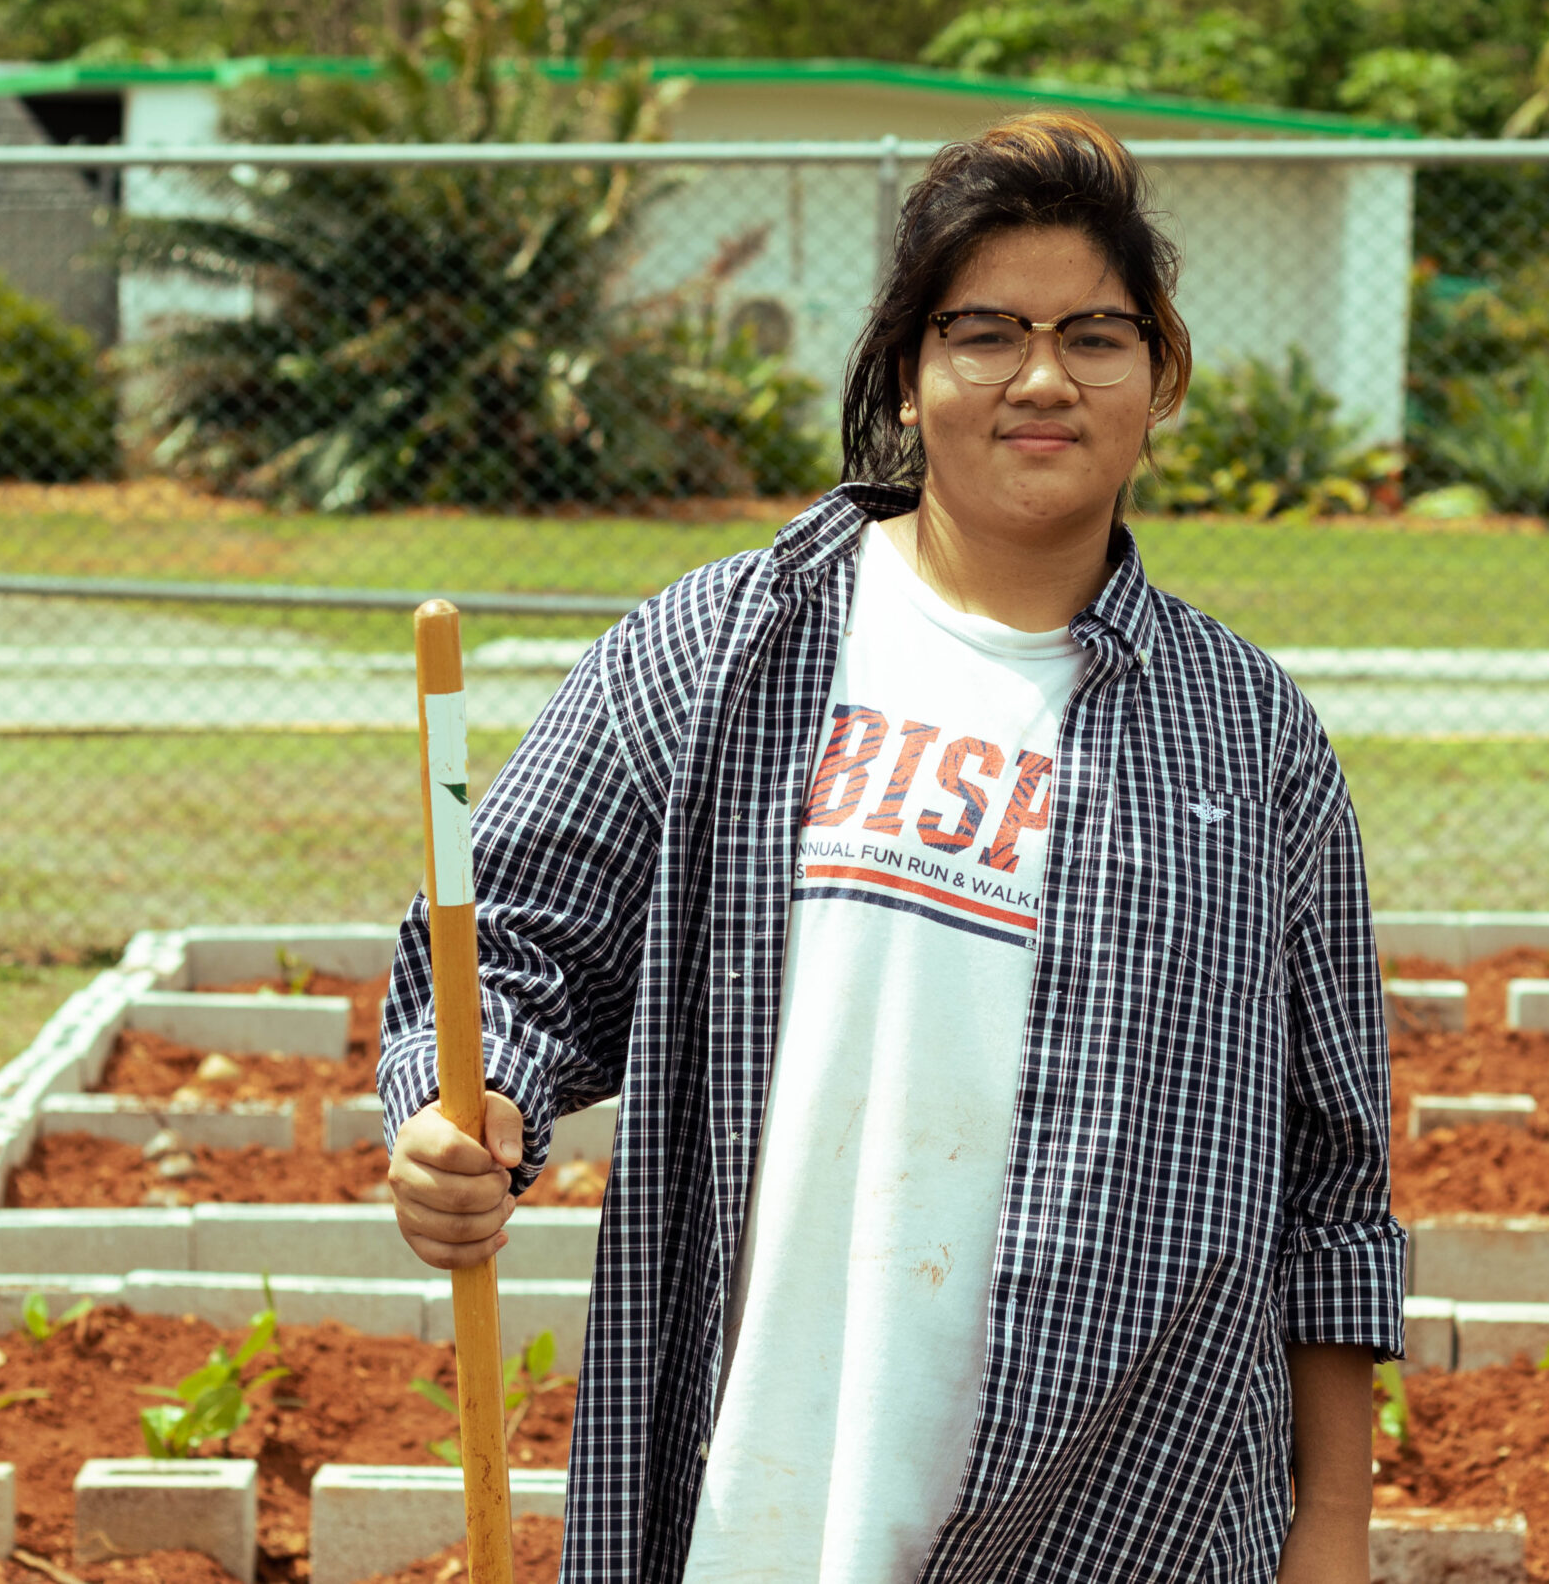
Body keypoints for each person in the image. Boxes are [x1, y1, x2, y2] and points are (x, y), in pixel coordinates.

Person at [378, 111, 1404, 1584]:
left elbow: (1327, 1177)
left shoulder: (1251, 741)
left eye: (1096, 337)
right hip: (761, 1503)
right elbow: (514, 949)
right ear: (910, 375)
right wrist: (462, 1110)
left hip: (1121, 1515)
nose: (1042, 377)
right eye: (984, 332)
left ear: (1159, 377)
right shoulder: (719, 651)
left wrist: (1332, 1531)